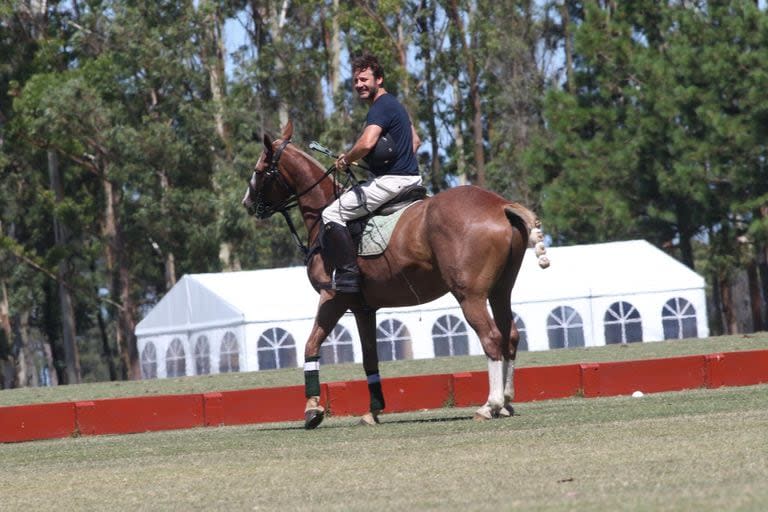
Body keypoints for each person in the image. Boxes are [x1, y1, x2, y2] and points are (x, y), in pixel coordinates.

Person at [320, 53, 422, 294]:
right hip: (411, 178)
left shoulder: (380, 107)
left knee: (332, 212)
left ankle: (348, 275)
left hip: (392, 182)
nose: (359, 85)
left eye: (364, 79)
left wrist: (346, 159)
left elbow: (366, 143)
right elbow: (415, 141)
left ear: (379, 79)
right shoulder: (395, 105)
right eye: (356, 81)